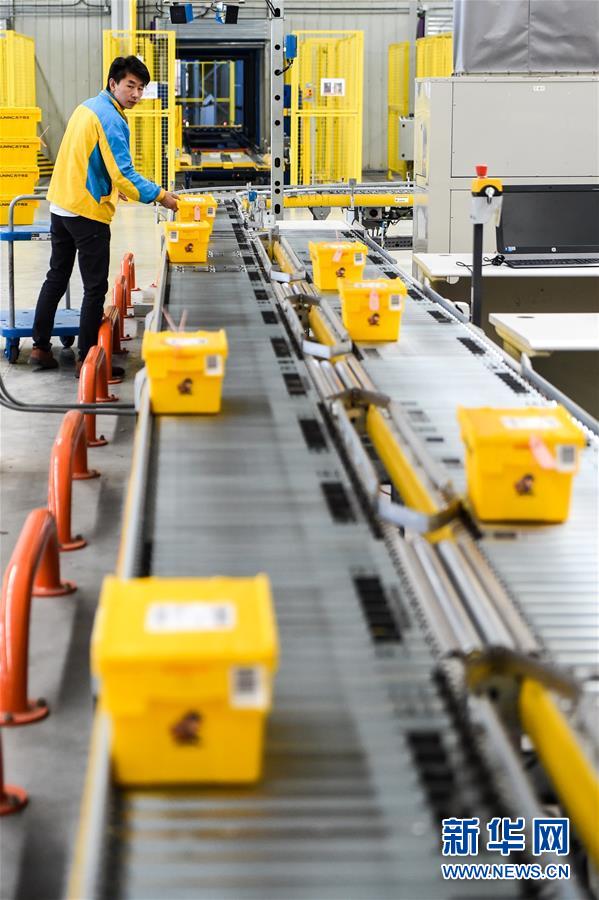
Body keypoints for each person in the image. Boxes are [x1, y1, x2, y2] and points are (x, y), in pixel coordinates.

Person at [30, 55, 178, 373]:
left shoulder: (87, 107)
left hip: (60, 204)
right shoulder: (111, 117)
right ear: (113, 83)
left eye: (141, 88)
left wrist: (109, 186)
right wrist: (162, 196)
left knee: (56, 276)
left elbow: (86, 159)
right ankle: (89, 360)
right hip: (86, 213)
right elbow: (124, 173)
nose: (136, 94)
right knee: (95, 287)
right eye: (130, 86)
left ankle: (40, 347)